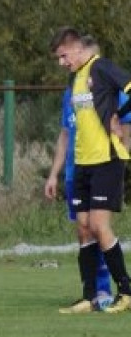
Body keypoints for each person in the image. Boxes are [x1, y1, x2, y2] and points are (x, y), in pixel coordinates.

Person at [45, 36, 131, 312]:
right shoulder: (75, 79)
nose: (61, 62)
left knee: (98, 225)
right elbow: (69, 129)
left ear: (77, 49)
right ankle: (89, 297)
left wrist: (119, 115)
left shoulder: (102, 68)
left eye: (63, 56)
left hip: (106, 159)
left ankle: (127, 292)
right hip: (82, 164)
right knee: (83, 228)